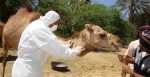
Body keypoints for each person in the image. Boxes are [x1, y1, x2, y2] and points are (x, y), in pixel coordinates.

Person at [11, 10, 85, 77]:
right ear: (51, 21)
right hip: (28, 71)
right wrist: (75, 52)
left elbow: (50, 45)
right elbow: (54, 47)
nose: (57, 26)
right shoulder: (39, 29)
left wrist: (66, 46)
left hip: (28, 68)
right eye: (57, 23)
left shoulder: (38, 25)